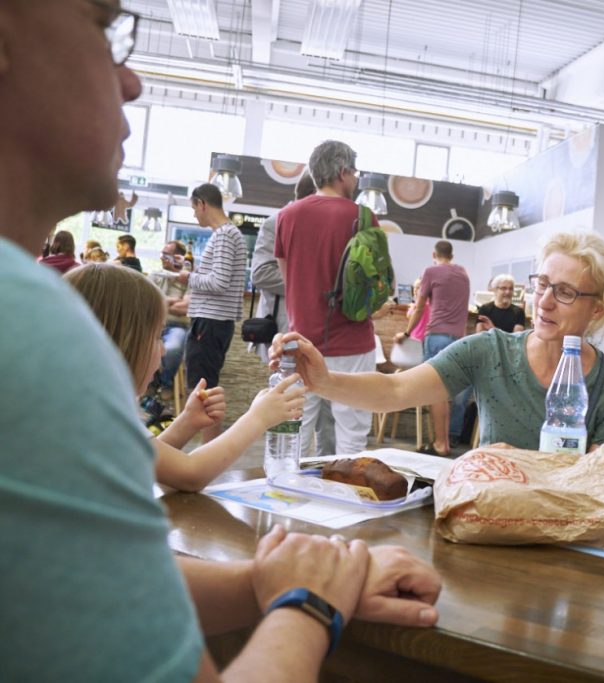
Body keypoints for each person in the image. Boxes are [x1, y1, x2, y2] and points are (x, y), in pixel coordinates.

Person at [0, 3, 440, 680]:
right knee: (349, 443)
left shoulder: (281, 218)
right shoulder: (33, 328)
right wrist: (309, 603)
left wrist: (267, 580)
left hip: (297, 336)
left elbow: (89, 576)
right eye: (106, 29)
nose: (133, 82)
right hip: (348, 340)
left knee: (314, 441)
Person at [274, 232, 604, 456]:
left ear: (598, 309)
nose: (544, 301)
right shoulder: (490, 351)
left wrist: (520, 463)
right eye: (542, 284)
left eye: (566, 293)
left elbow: (598, 485)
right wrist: (323, 381)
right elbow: (395, 389)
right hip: (488, 524)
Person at [67, 262, 307, 491]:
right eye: (157, 337)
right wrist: (258, 418)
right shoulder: (99, 418)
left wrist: (187, 423)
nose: (163, 349)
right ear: (124, 344)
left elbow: (144, 460)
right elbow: (191, 474)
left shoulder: (80, 406)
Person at [276, 140, 377, 456]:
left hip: (301, 339)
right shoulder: (363, 217)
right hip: (353, 343)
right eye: (355, 172)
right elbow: (374, 286)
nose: (357, 180)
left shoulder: (287, 216)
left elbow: (287, 276)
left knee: (298, 425)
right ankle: (344, 497)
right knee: (352, 431)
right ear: (343, 172)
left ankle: (292, 497)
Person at [252, 170, 337, 456]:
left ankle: (328, 472)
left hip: (327, 336)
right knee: (291, 412)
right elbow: (261, 273)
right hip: (288, 333)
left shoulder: (330, 228)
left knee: (329, 415)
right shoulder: (276, 222)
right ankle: (285, 477)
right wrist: (313, 283)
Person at [180, 182, 247, 442]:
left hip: (209, 323)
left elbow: (218, 282)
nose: (195, 215)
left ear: (202, 203)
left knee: (202, 394)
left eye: (194, 209)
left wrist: (189, 278)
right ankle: (204, 455)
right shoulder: (228, 234)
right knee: (205, 391)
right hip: (215, 322)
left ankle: (204, 457)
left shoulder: (224, 235)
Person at [394, 240, 471, 456]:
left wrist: (406, 334)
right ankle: (444, 440)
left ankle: (440, 444)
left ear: (433, 254)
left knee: (436, 391)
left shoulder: (431, 271)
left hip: (436, 336)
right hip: (457, 339)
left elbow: (419, 308)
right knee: (446, 391)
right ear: (452, 255)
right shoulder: (463, 275)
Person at [148, 239, 190, 397]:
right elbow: (145, 301)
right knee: (138, 346)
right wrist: (172, 302)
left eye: (166, 255)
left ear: (177, 257)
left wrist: (159, 302)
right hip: (152, 325)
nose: (161, 258)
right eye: (161, 254)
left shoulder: (189, 280)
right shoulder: (155, 275)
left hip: (177, 326)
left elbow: (185, 309)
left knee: (172, 348)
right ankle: (152, 380)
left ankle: (165, 382)